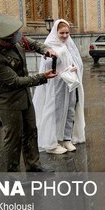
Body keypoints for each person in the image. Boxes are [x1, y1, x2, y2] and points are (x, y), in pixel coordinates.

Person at [0, 14, 57, 172]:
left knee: (31, 131)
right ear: (2, 39)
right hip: (7, 100)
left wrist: (47, 50)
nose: (18, 37)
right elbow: (15, 81)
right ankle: (11, 176)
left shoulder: (15, 39)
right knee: (13, 138)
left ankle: (33, 166)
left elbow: (35, 44)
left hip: (23, 95)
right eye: (13, 37)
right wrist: (42, 77)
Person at [33, 19, 85, 154]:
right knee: (55, 111)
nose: (65, 36)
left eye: (67, 33)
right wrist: (61, 69)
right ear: (56, 32)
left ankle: (66, 138)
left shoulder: (68, 45)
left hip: (69, 83)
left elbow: (75, 62)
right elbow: (46, 65)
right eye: (62, 33)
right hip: (55, 85)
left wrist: (74, 68)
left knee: (70, 110)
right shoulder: (50, 45)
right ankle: (52, 142)